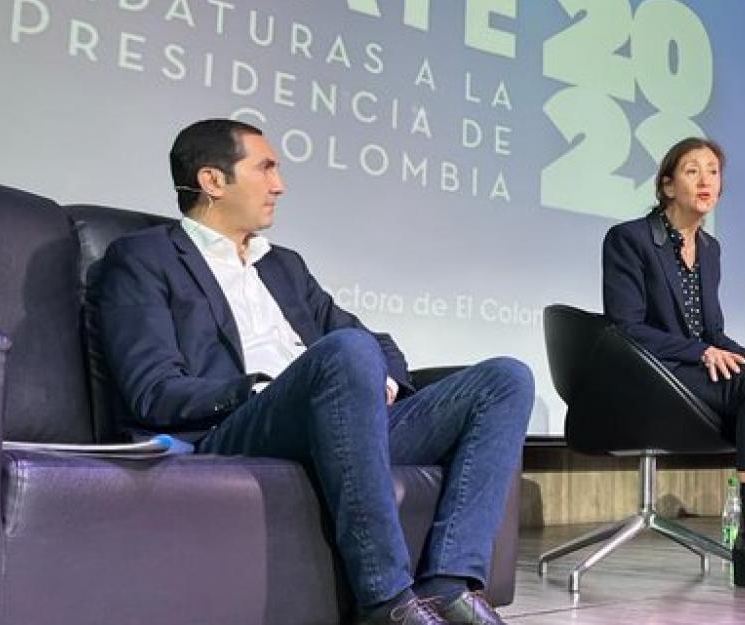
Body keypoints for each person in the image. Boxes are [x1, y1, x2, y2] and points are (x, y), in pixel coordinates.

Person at [91, 119, 534, 625]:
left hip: (340, 416)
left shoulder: (283, 265)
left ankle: (450, 583)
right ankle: (386, 601)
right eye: (265, 168)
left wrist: (381, 381)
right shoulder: (144, 258)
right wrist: (259, 390)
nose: (279, 185)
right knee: (345, 353)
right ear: (213, 181)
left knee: (506, 378)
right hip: (239, 424)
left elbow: (374, 341)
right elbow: (153, 391)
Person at [602, 137, 745, 590]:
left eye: (713, 171)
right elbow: (625, 328)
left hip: (700, 371)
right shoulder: (629, 239)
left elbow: (712, 330)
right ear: (667, 185)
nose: (706, 180)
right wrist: (701, 352)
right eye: (691, 171)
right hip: (656, 376)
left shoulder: (710, 248)